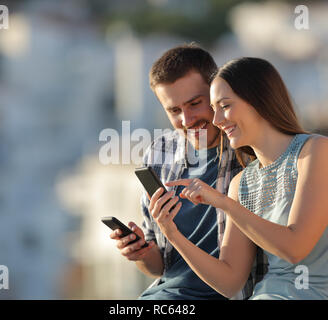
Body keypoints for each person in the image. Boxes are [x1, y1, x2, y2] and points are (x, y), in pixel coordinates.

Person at [158, 57, 328, 299]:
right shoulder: (241, 184)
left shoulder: (316, 151)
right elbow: (229, 282)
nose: (217, 120)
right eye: (214, 109)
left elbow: (295, 247)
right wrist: (172, 234)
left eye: (225, 106)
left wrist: (223, 203)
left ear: (258, 100)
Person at [109, 45, 267, 299]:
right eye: (174, 111)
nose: (187, 119)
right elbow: (159, 266)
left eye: (195, 103)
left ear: (216, 92)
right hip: (165, 294)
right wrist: (140, 252)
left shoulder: (250, 152)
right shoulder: (159, 153)